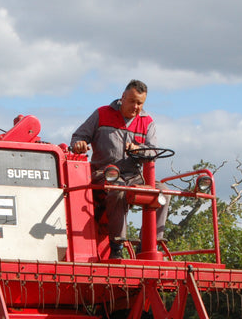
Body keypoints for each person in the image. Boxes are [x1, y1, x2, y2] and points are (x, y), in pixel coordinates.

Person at [71, 79, 170, 258]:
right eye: (132, 101)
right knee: (118, 190)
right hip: (104, 173)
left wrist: (139, 149)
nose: (136, 107)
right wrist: (79, 144)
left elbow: (153, 151)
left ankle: (149, 244)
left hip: (134, 176)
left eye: (140, 103)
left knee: (163, 192)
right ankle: (117, 245)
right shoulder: (102, 114)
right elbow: (79, 137)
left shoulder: (147, 122)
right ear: (122, 97)